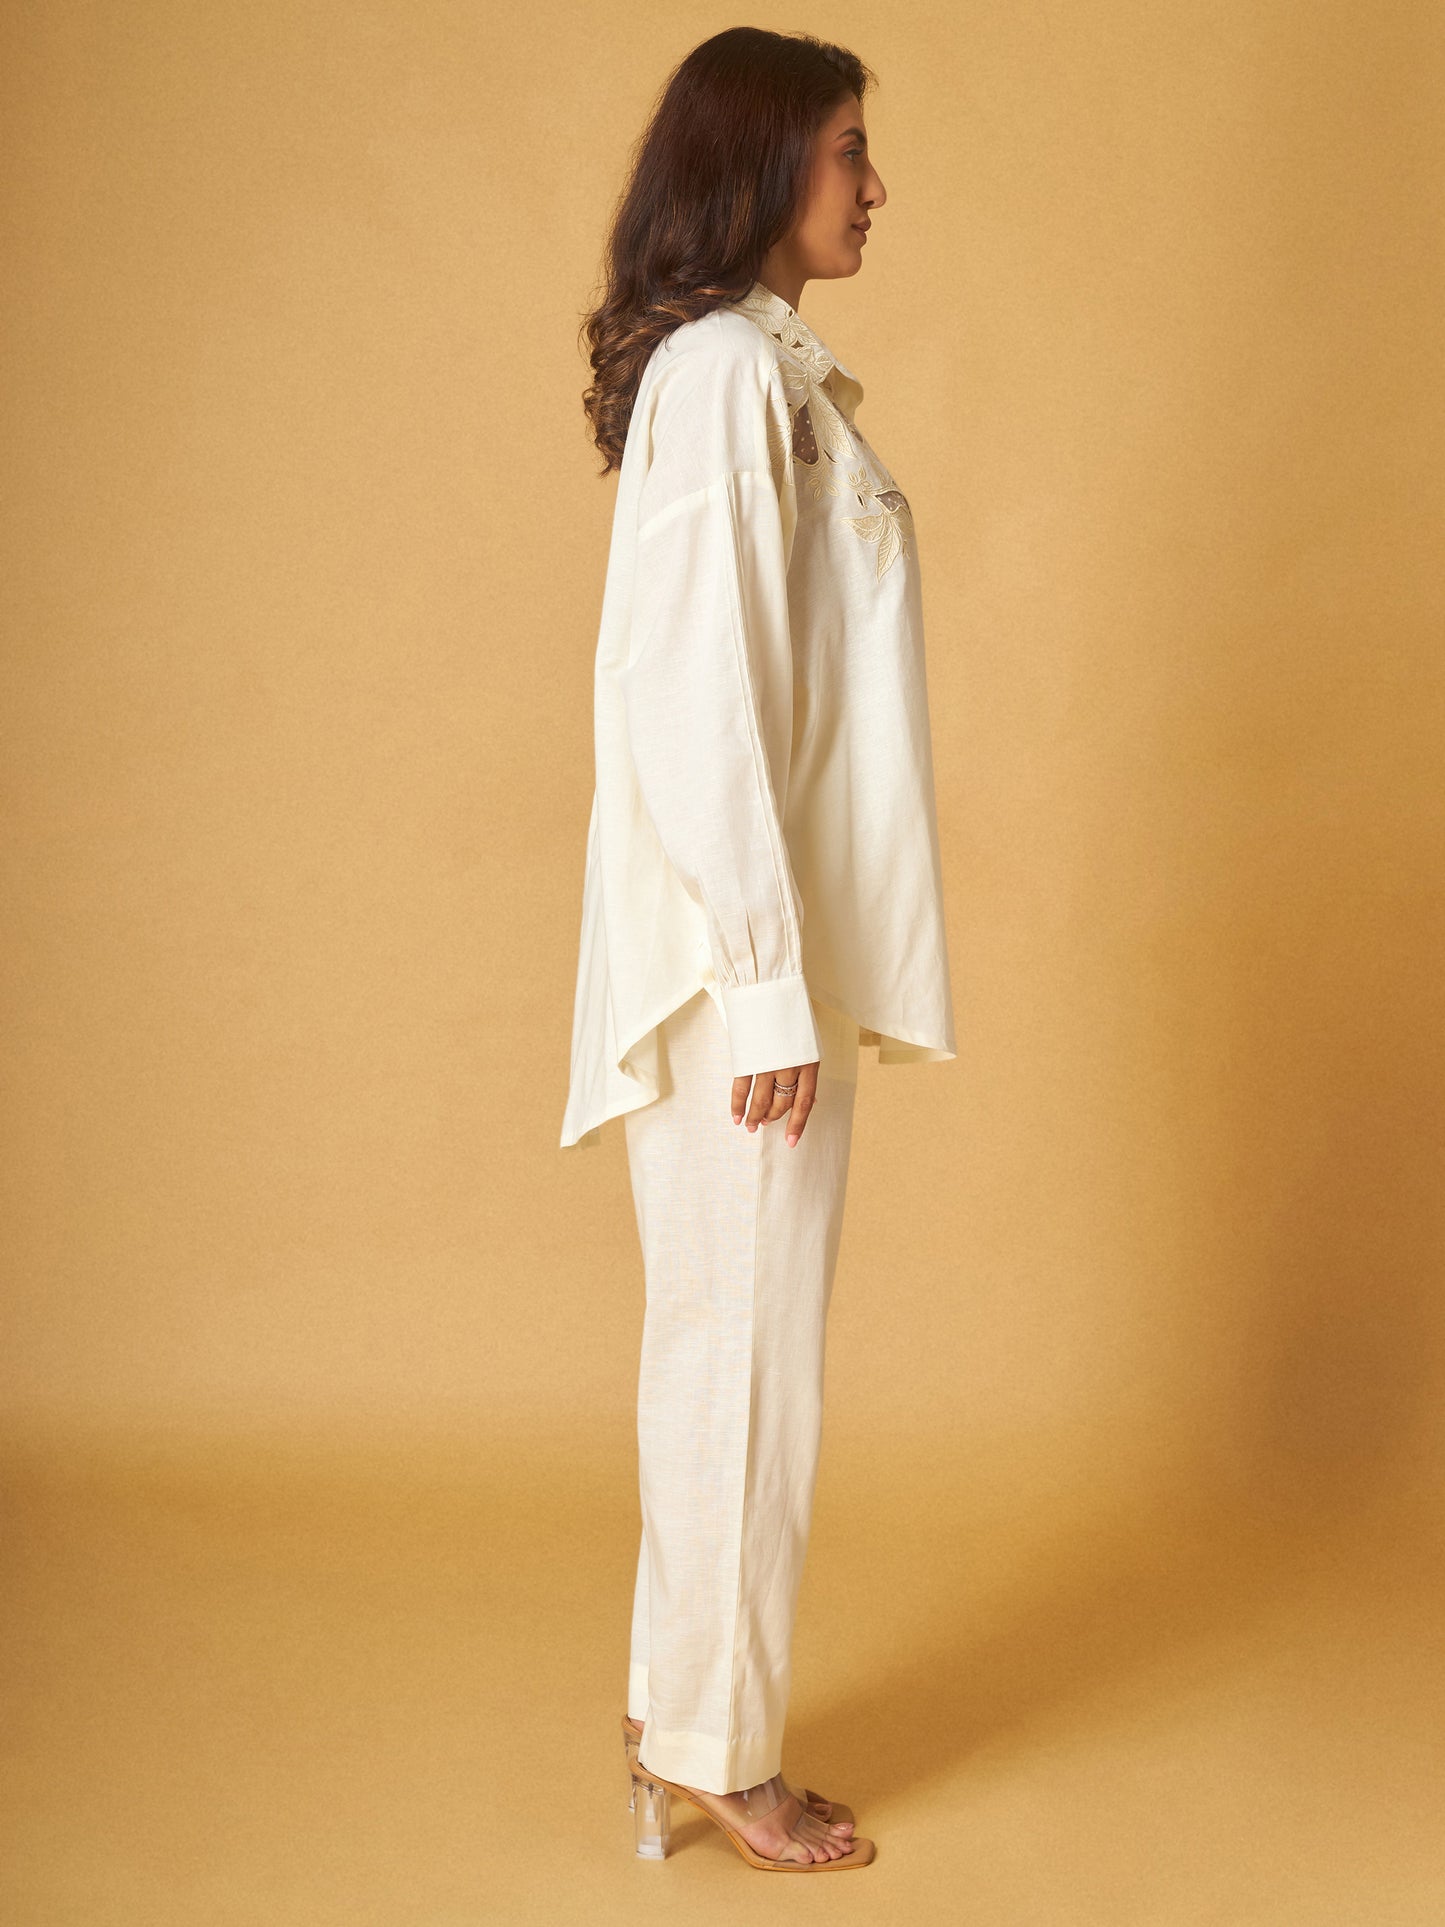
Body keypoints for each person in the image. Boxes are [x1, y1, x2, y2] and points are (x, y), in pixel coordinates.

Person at [560, 26, 956, 1872]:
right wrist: (764, 980)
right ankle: (722, 1752)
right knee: (745, 1360)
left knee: (726, 1344)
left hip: (758, 959)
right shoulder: (725, 373)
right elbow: (691, 694)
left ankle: (676, 1717)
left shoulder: (759, 372)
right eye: (847, 149)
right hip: (742, 977)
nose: (874, 186)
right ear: (758, 163)